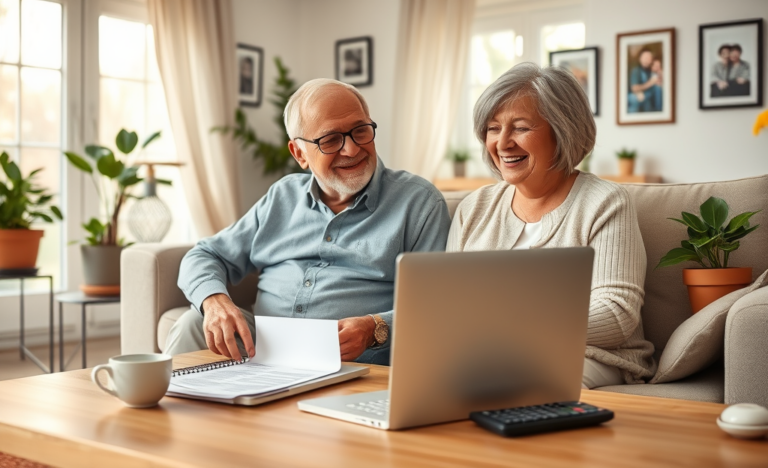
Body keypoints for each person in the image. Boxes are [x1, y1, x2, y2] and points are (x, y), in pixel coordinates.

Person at [165, 78, 451, 365]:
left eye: (361, 131)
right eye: (331, 140)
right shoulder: (283, 196)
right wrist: (214, 302)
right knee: (193, 322)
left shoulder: (419, 203)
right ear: (299, 154)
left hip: (352, 360)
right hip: (260, 347)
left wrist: (374, 327)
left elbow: (437, 305)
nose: (351, 150)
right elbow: (205, 254)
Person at [447, 62, 656, 388]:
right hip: (485, 356)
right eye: (492, 128)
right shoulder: (474, 208)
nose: (502, 143)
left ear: (562, 131)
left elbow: (617, 314)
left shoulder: (605, 202)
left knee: (512, 383)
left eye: (520, 127)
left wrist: (513, 328)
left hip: (590, 355)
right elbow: (449, 303)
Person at [628, 48, 662, 113]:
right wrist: (650, 83)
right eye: (645, 57)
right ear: (640, 58)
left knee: (658, 89)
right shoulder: (636, 70)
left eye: (649, 57)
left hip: (648, 96)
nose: (647, 59)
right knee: (636, 100)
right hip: (635, 96)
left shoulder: (652, 71)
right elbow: (634, 88)